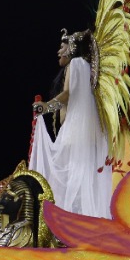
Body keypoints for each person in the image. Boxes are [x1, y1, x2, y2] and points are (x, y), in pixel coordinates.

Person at [27, 28, 114, 219]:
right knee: (78, 183)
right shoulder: (86, 68)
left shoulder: (75, 64)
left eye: (62, 46)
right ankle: (79, 223)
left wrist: (45, 107)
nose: (59, 51)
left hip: (73, 133)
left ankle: (65, 224)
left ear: (72, 47)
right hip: (83, 137)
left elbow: (67, 94)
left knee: (62, 178)